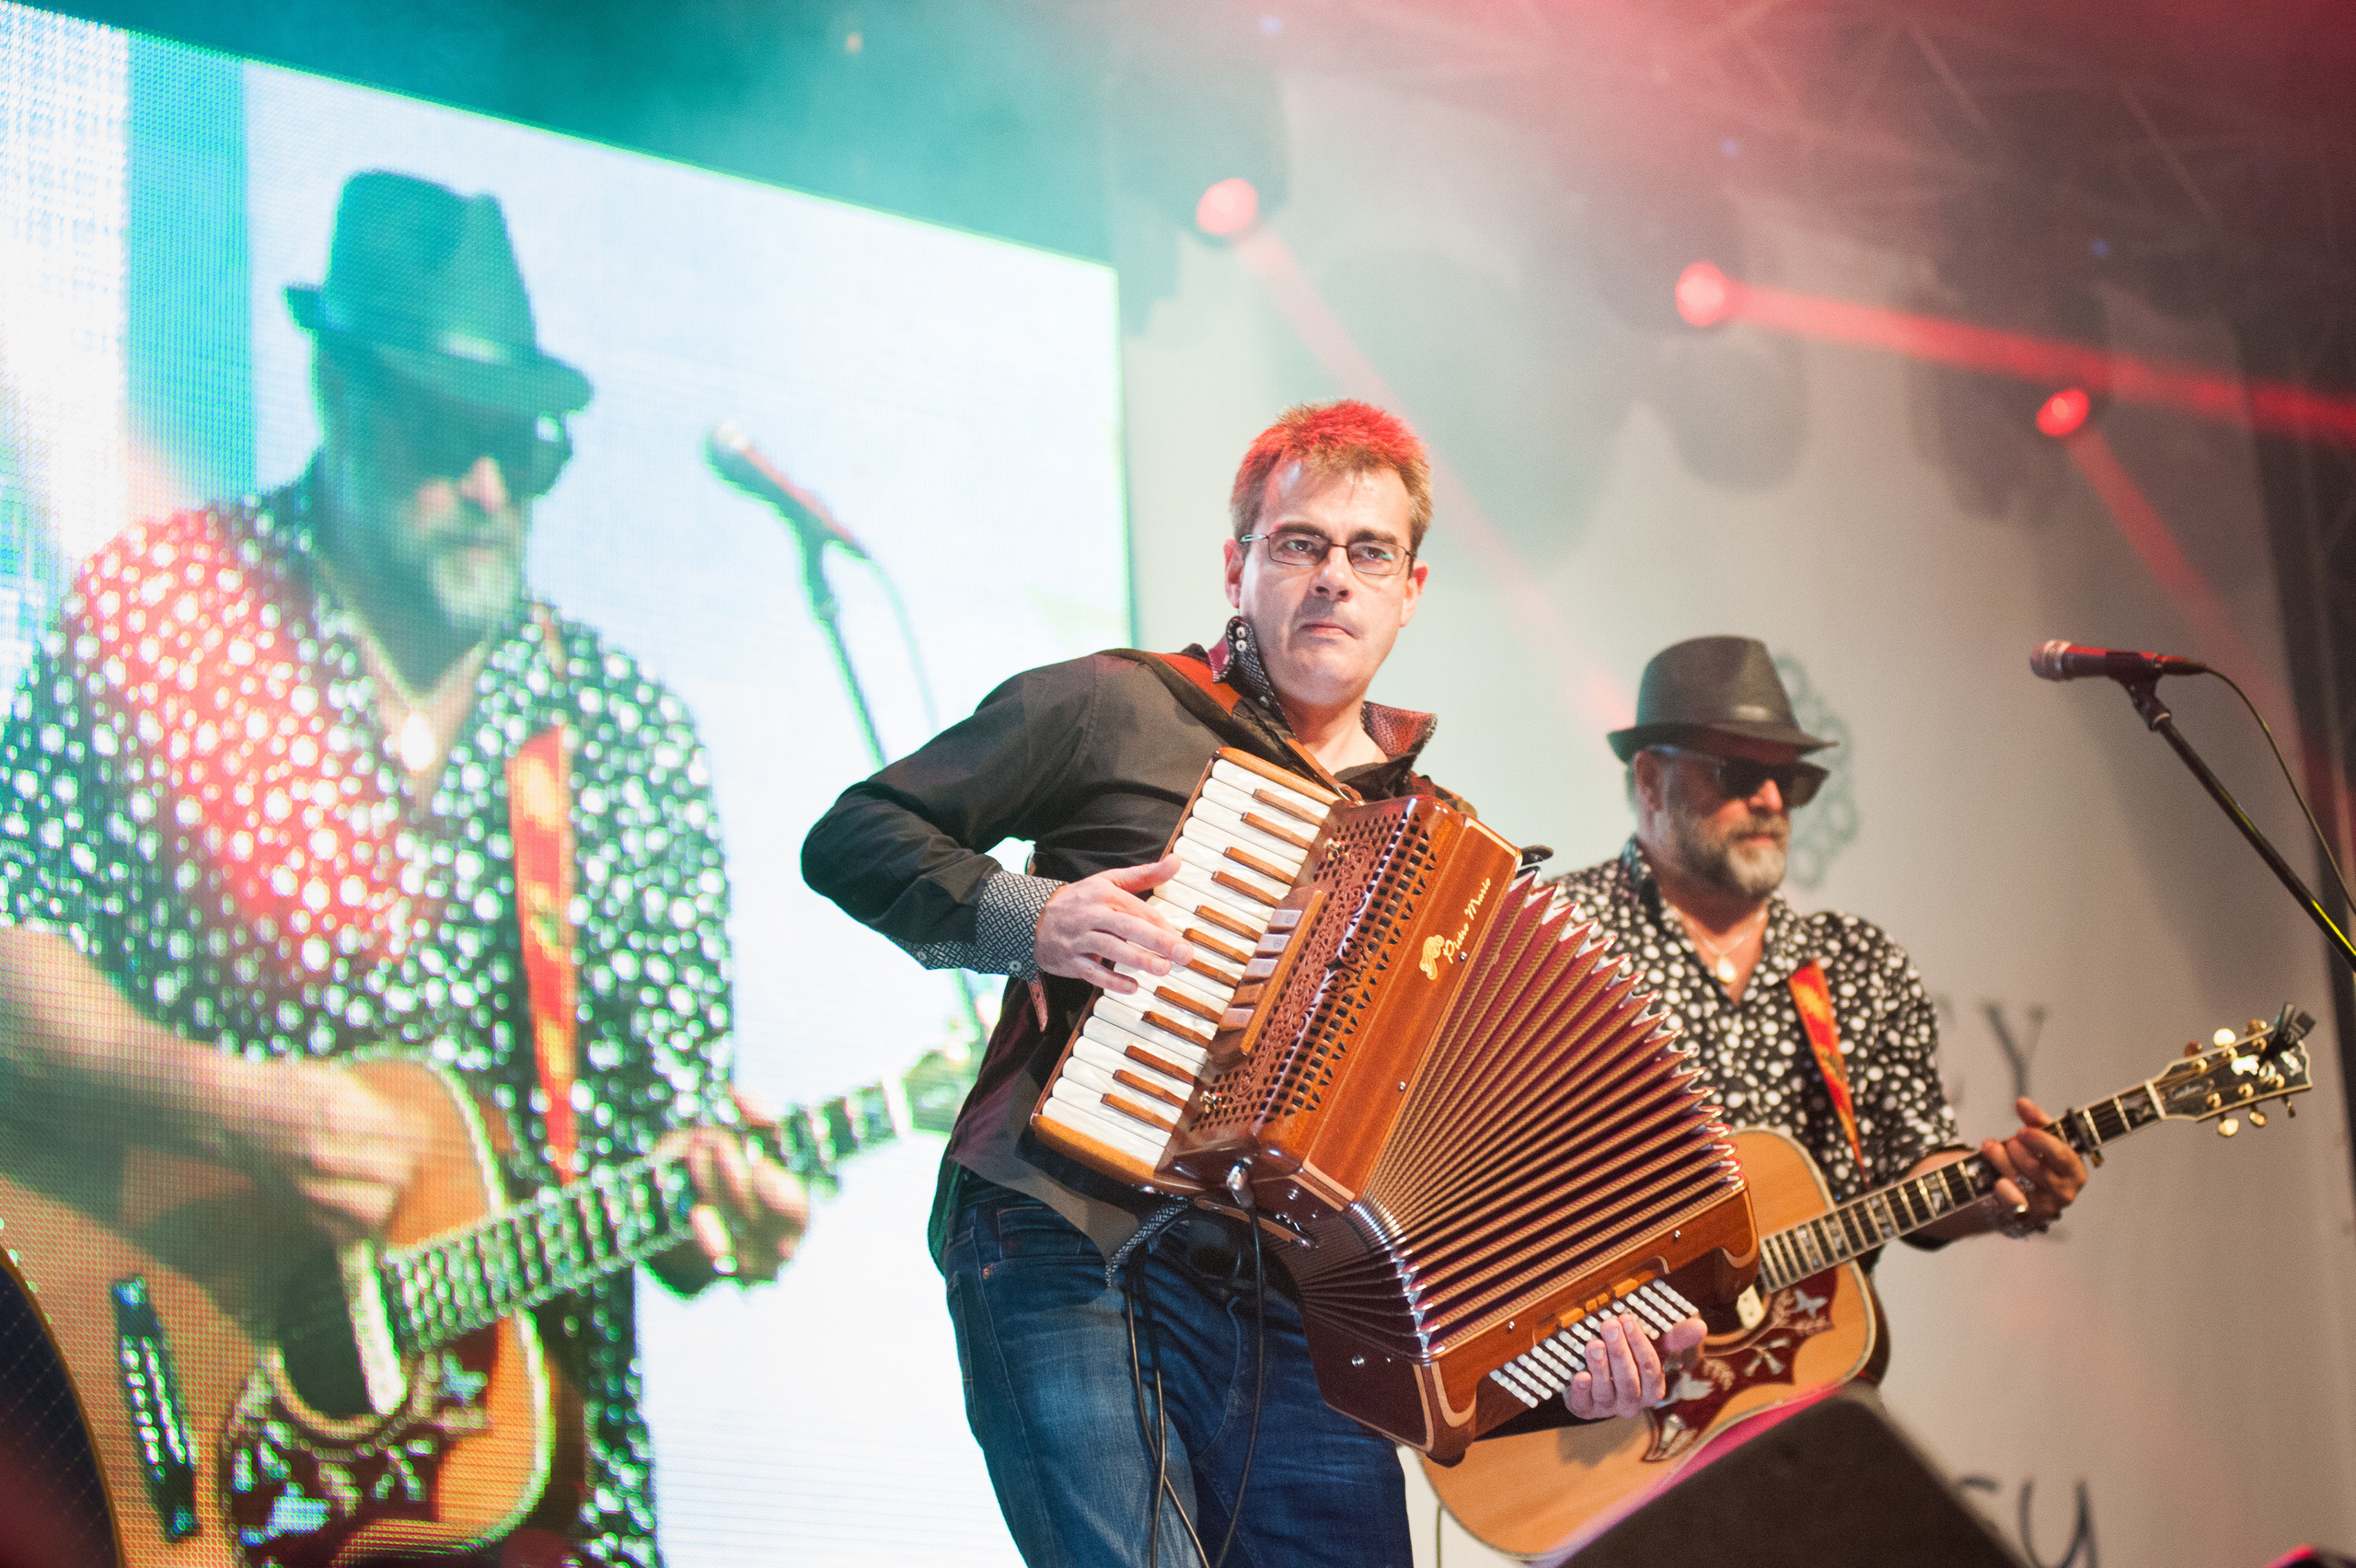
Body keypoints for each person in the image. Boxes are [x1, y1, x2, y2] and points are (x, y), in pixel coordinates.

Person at [0, 171, 805, 1568]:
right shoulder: (165, 624)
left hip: (536, 1497)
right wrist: (237, 1108)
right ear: (343, 394)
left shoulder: (625, 733)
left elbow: (660, 1163)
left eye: (526, 451)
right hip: (176, 1461)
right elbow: (16, 962)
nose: (492, 489)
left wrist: (720, 1216)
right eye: (447, 437)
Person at [801, 399, 1702, 1568]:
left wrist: (1567, 1332)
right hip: (1071, 1237)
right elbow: (856, 835)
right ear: (1240, 566)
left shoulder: (1433, 841)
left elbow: (1447, 1152)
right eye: (1299, 544)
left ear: (1409, 590)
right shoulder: (1112, 704)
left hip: (1285, 1302)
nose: (1334, 577)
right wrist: (1038, 920)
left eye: (1368, 552)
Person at [1550, 635, 2087, 1269]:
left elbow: (1913, 1161)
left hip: (1805, 1354)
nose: (1773, 802)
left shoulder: (1858, 963)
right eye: (1739, 773)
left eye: (1790, 778)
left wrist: (2006, 1194)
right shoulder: (1560, 936)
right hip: (1603, 1355)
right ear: (1650, 778)